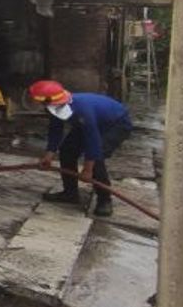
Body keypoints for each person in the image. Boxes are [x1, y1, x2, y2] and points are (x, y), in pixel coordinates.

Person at [29, 79, 133, 217]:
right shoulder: (55, 106)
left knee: (97, 156)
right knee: (67, 150)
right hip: (91, 122)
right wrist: (49, 154)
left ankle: (104, 200)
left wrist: (87, 169)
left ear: (45, 100)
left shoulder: (82, 109)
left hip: (115, 124)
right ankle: (70, 193)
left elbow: (93, 140)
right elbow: (55, 129)